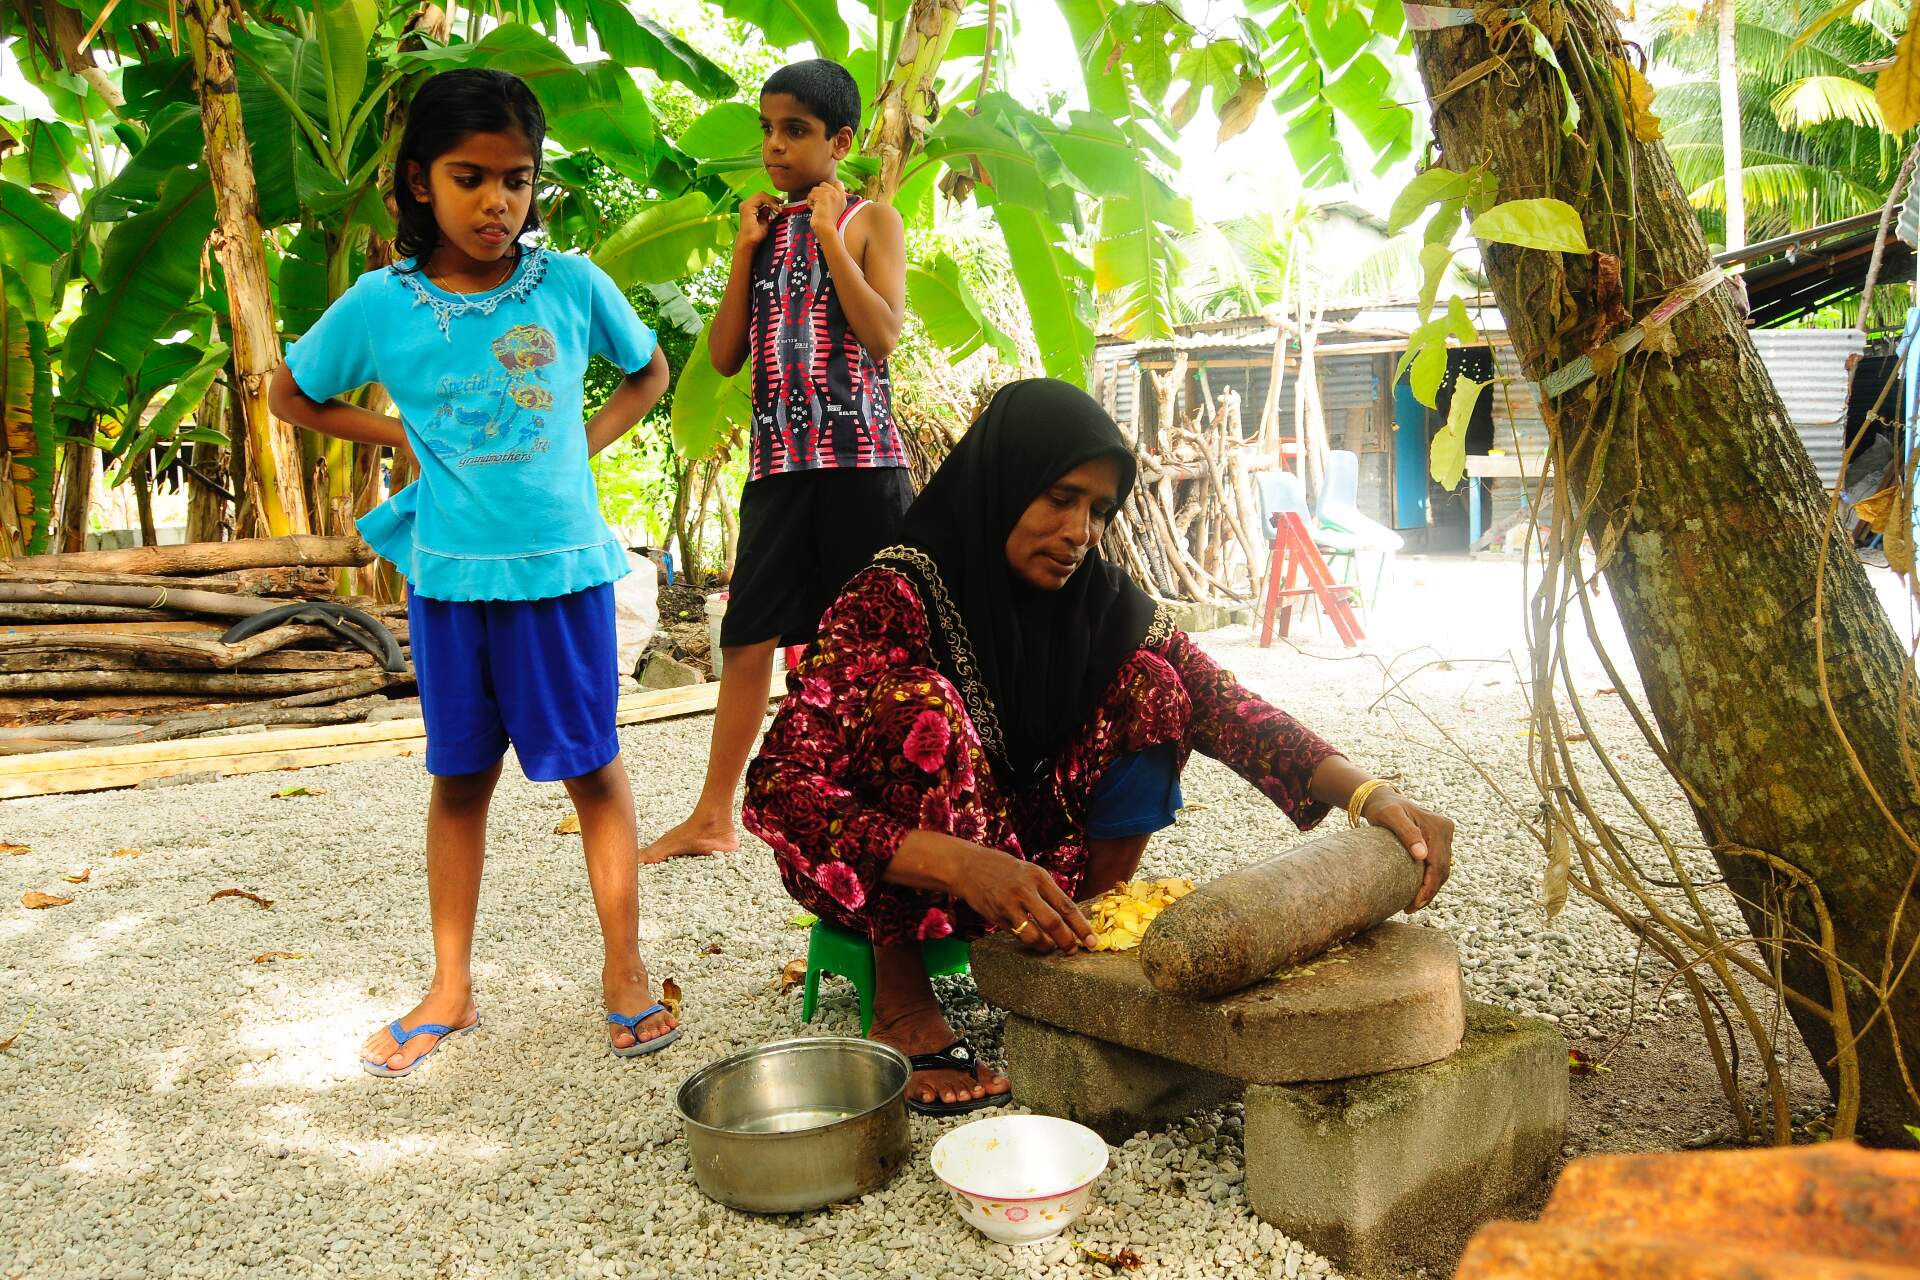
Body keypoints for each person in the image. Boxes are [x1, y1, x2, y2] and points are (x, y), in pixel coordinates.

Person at [742, 380, 1455, 1115]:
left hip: (1026, 873)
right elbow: (777, 787)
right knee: (916, 709)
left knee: (1156, 684)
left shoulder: (1100, 601)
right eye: (1060, 497)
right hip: (880, 869)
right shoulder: (892, 594)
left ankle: (1089, 934)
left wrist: (1372, 793)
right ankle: (900, 998)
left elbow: (1221, 701)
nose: (1080, 530)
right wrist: (961, 863)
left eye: (1099, 511)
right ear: (1003, 480)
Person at [267, 69, 679, 1075]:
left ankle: (624, 968)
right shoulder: (381, 304)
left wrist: (579, 445)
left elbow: (650, 371)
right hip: (450, 583)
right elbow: (292, 392)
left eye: (517, 179)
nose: (498, 201)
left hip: (564, 577)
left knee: (593, 768)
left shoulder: (572, 286)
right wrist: (399, 434)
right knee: (459, 780)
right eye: (471, 177)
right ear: (419, 183)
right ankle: (450, 985)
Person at [642, 58, 913, 863]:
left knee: (876, 644)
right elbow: (725, 357)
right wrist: (741, 253)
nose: (773, 146)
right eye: (767, 128)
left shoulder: (871, 222)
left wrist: (830, 235)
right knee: (747, 637)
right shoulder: (760, 231)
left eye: (794, 130)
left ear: (840, 140)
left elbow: (884, 334)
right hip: (778, 469)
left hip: (862, 467)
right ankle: (712, 815)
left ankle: (889, 808)